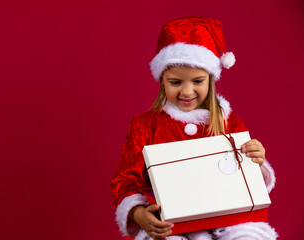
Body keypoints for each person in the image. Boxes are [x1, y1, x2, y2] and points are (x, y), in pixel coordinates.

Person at [110, 16, 278, 240]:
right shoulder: (145, 126)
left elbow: (247, 183)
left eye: (197, 81)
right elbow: (125, 181)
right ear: (162, 80)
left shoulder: (231, 123)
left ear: (211, 79)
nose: (187, 92)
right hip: (171, 226)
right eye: (176, 82)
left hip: (231, 224)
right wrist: (138, 213)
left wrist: (256, 159)